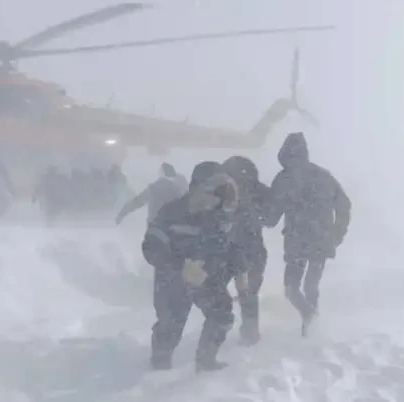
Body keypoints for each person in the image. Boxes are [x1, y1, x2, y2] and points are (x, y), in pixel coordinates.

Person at [141, 161, 245, 372]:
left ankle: (206, 361)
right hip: (171, 280)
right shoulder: (170, 214)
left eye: (220, 194)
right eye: (213, 192)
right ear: (196, 188)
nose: (217, 199)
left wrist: (238, 273)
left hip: (204, 277)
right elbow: (151, 247)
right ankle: (159, 367)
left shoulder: (217, 217)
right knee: (170, 326)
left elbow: (228, 247)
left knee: (222, 315)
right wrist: (180, 266)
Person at [265, 132, 351, 336]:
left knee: (291, 288)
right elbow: (344, 205)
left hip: (297, 242)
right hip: (321, 240)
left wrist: (259, 218)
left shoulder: (283, 179)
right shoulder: (324, 176)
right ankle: (312, 327)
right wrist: (336, 234)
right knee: (311, 286)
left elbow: (272, 215)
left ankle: (309, 318)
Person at [222, 155, 274, 346]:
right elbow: (271, 217)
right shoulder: (258, 191)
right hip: (253, 249)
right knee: (249, 292)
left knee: (220, 290)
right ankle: (249, 330)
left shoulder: (224, 192)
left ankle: (222, 327)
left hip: (230, 250)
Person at [115, 162, 188, 225]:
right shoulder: (177, 190)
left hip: (155, 226)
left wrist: (122, 214)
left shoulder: (154, 189)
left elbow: (137, 202)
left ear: (162, 174)